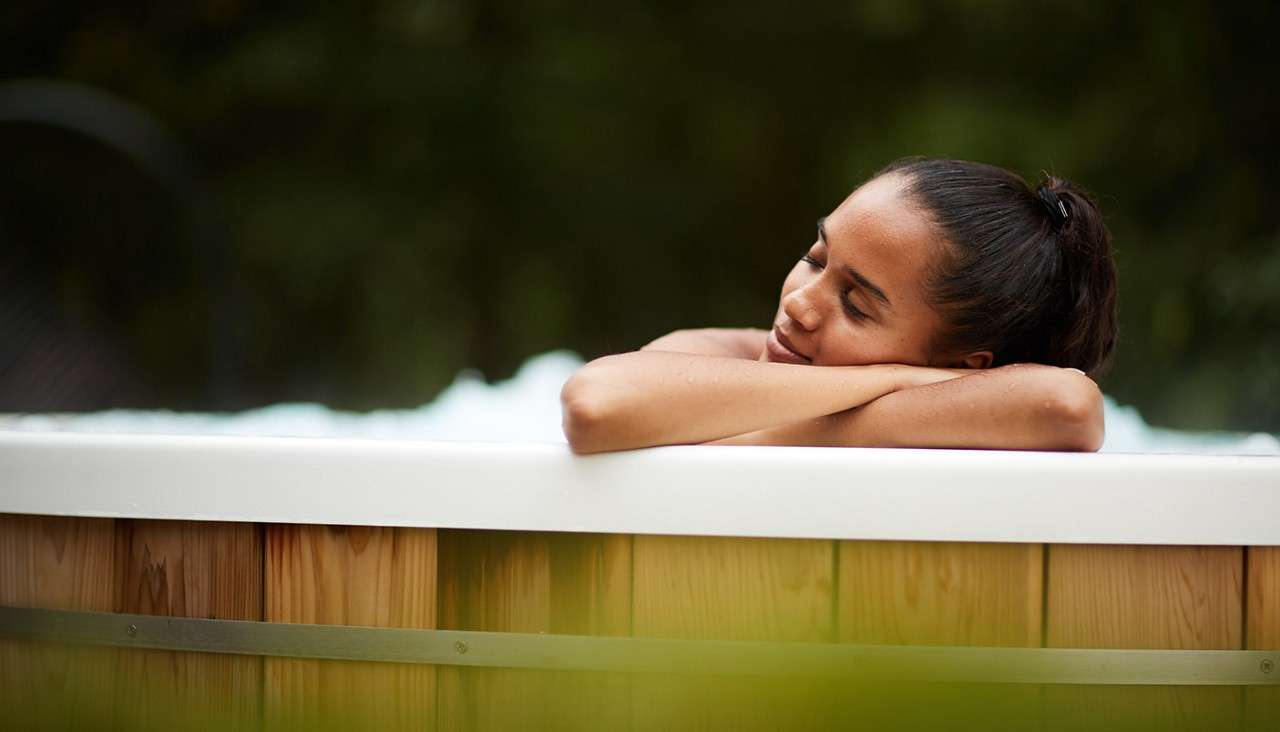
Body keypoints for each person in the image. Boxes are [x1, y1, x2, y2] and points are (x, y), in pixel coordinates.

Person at [561, 157, 1117, 454]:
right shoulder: (723, 354)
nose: (801, 303)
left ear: (964, 367)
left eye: (856, 305)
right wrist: (910, 382)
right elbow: (596, 404)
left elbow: (1068, 404)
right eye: (815, 257)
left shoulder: (726, 388)